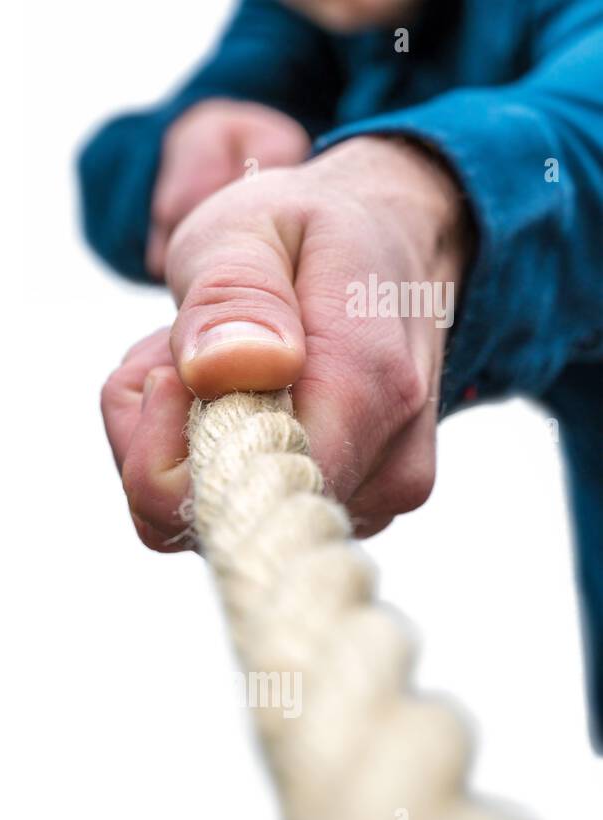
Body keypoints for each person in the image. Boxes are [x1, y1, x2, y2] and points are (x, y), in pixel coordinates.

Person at [77, 0, 603, 750]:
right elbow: (114, 175)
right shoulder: (311, 22)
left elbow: (583, 132)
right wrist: (184, 147)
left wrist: (416, 207)